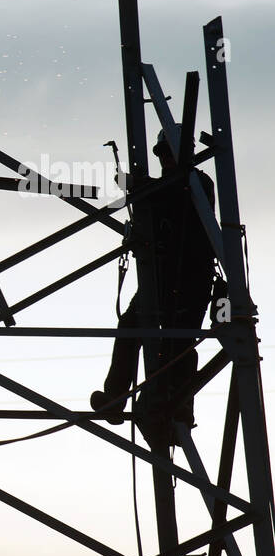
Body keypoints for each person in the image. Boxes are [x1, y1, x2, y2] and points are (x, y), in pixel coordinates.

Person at [91, 129, 219, 441]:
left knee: (179, 346)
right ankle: (116, 397)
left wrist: (136, 185)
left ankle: (179, 408)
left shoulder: (198, 183)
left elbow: (174, 191)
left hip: (190, 280)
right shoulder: (163, 188)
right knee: (130, 327)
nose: (165, 160)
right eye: (162, 154)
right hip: (160, 280)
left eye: (170, 153)